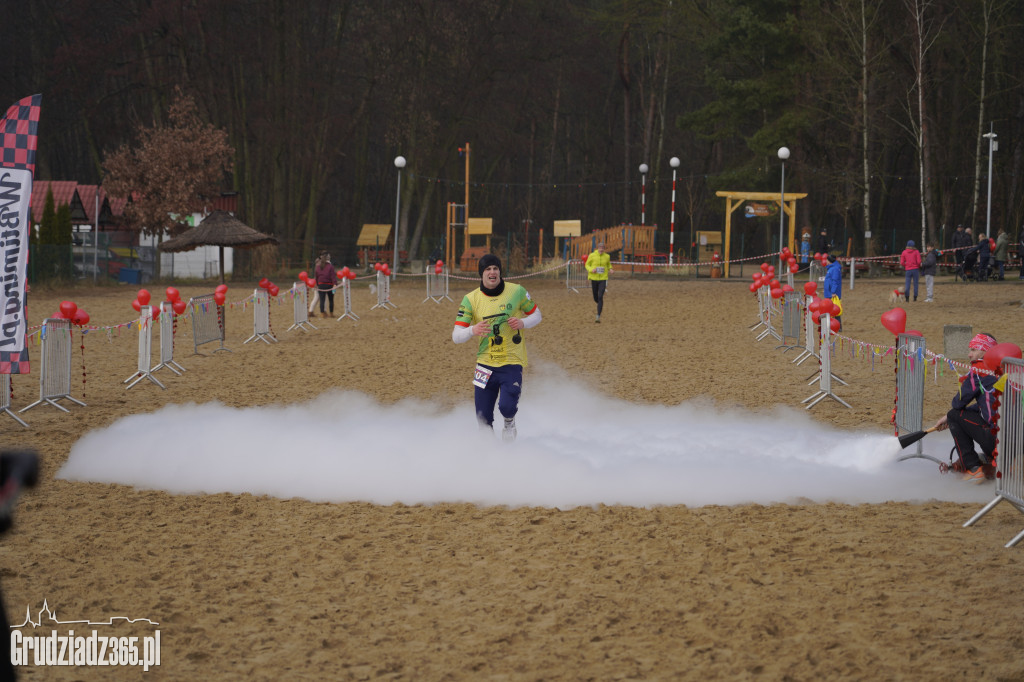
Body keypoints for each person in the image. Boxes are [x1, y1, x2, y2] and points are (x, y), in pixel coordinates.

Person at [452, 254, 542, 441]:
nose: (492, 272)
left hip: (511, 361)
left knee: (506, 407)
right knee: (482, 419)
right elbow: (456, 336)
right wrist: (472, 330)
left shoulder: (516, 291)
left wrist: (523, 323)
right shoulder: (470, 299)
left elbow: (537, 315)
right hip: (484, 365)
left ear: (500, 272)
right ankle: (490, 460)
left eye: (495, 268)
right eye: (487, 269)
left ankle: (509, 423)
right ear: (481, 274)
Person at [933, 333, 999, 483]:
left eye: (974, 349)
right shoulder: (1005, 366)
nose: (969, 354)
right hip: (1015, 438)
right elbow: (989, 403)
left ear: (986, 350)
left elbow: (958, 403)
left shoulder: (979, 369)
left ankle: (973, 467)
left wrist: (948, 417)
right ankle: (991, 460)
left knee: (954, 415)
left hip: (996, 439)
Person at [585, 241, 611, 323]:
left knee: (600, 296)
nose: (601, 249)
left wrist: (611, 269)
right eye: (600, 247)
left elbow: (608, 265)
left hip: (603, 278)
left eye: (603, 248)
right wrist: (591, 269)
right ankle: (599, 303)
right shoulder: (592, 255)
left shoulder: (607, 256)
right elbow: (587, 265)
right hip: (594, 278)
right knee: (596, 298)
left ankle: (598, 316)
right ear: (597, 248)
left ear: (604, 249)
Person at [822, 254, 843, 330]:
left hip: (832, 294)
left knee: (835, 310)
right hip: (829, 292)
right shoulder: (832, 268)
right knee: (831, 310)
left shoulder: (834, 269)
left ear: (829, 261)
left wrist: (833, 292)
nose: (825, 261)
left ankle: (838, 327)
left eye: (827, 260)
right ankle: (833, 326)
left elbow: (835, 281)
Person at [314, 251, 337, 317]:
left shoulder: (318, 267)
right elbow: (333, 276)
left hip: (321, 285)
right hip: (329, 285)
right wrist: (335, 284)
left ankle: (322, 313)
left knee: (322, 300)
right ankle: (331, 313)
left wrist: (316, 284)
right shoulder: (330, 266)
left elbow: (316, 276)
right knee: (331, 300)